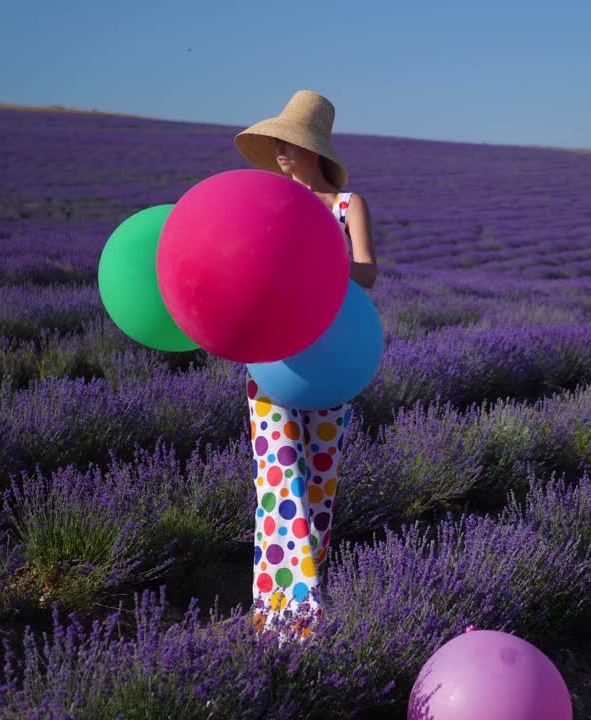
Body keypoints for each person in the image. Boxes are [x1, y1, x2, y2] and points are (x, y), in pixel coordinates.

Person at [233, 90, 377, 642]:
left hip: (332, 355)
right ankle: (284, 616)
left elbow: (368, 274)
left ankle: (300, 606)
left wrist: (326, 263)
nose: (279, 154)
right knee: (277, 475)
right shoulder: (272, 200)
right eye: (276, 145)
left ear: (311, 148)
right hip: (271, 357)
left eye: (287, 144)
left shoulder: (347, 205)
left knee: (318, 481)